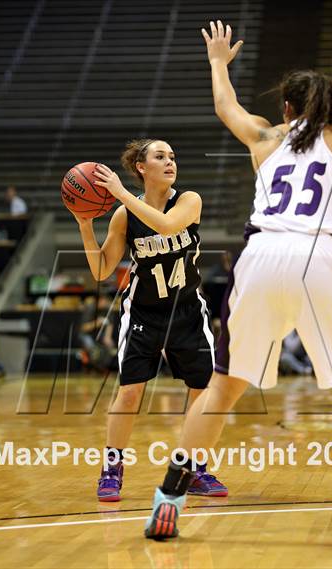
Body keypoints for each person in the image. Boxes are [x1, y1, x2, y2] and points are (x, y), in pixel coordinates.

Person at [143, 20, 332, 540]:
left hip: (257, 256)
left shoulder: (264, 136)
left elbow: (225, 106)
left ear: (286, 109)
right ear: (331, 106)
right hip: (315, 254)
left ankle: (169, 495)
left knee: (223, 387)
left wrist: (217, 62)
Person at [74, 138, 227, 501]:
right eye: (161, 156)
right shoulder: (124, 215)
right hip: (144, 313)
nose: (170, 162)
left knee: (202, 393)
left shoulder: (189, 200)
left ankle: (194, 467)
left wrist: (121, 193)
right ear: (142, 167)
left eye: (173, 156)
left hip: (188, 310)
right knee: (129, 394)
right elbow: (100, 270)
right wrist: (83, 223)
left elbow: (168, 227)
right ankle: (112, 466)